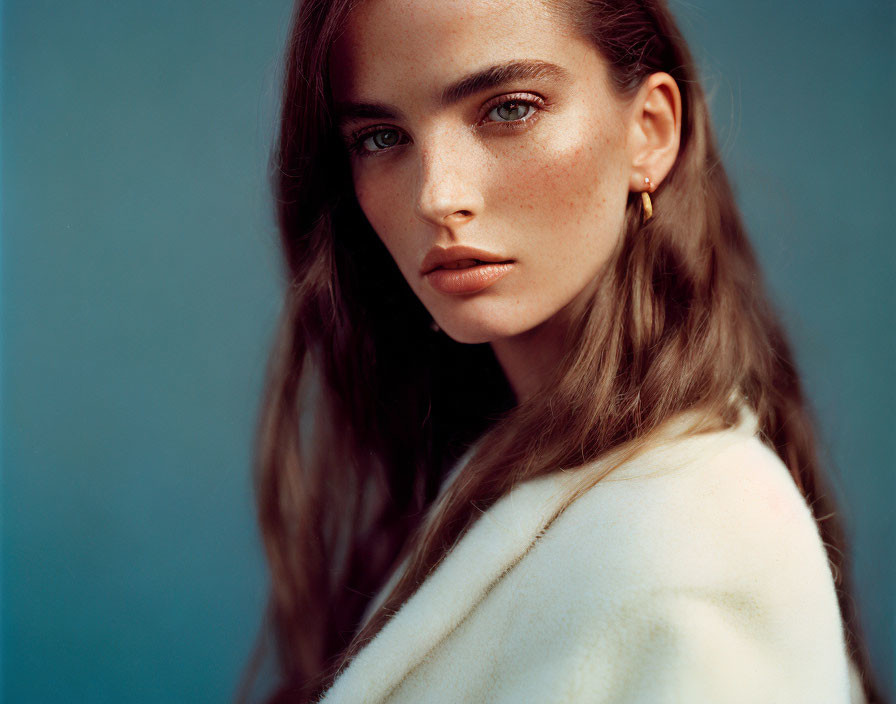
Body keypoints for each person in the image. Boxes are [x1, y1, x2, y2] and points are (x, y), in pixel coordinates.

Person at [238, 0, 883, 702]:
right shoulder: (506, 482)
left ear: (650, 131)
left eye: (509, 109)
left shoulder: (699, 540)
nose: (438, 195)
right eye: (381, 137)